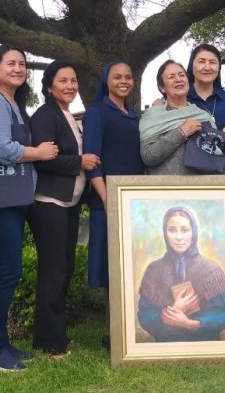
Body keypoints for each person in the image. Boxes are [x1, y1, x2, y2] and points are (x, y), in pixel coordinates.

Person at [0, 45, 59, 371]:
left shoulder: (14, 103)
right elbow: (0, 149)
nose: (18, 68)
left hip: (15, 199)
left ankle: (0, 344)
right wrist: (39, 153)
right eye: (10, 63)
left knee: (8, 273)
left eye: (22, 64)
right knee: (4, 274)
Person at [29, 61, 101, 357]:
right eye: (63, 81)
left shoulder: (67, 114)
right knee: (54, 271)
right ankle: (51, 343)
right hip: (49, 204)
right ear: (49, 87)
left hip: (68, 205)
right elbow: (42, 158)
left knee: (63, 269)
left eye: (73, 80)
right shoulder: (45, 115)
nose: (70, 85)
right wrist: (80, 162)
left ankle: (49, 337)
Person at [82, 61, 144, 348]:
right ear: (106, 81)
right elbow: (92, 160)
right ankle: (112, 331)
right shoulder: (96, 113)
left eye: (128, 77)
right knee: (111, 268)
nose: (124, 81)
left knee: (133, 265)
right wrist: (107, 198)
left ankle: (134, 327)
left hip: (135, 202)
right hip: (108, 201)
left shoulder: (133, 115)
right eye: (117, 77)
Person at [138, 207, 225, 342]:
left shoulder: (211, 270)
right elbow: (145, 315)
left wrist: (189, 324)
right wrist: (173, 312)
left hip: (205, 345)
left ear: (193, 232)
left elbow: (224, 315)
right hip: (165, 347)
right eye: (172, 230)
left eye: (185, 230)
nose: (179, 237)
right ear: (165, 232)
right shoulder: (154, 270)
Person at [139, 60, 214, 175]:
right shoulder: (153, 116)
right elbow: (148, 156)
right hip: (164, 189)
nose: (178, 79)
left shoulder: (202, 115)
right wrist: (181, 132)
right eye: (171, 77)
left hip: (201, 188)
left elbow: (216, 153)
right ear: (162, 88)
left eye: (181, 75)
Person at [186, 44, 225, 130]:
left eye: (212, 62)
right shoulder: (180, 97)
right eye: (201, 62)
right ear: (191, 65)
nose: (207, 67)